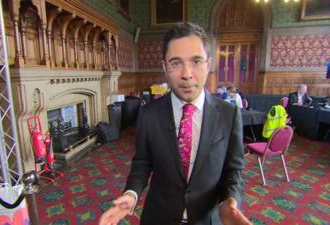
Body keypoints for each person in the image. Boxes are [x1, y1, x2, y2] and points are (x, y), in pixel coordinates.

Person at [99, 22, 250, 225]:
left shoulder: (228, 113)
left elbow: (233, 170)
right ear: (165, 67)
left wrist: (230, 201)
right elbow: (142, 163)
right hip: (159, 217)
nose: (187, 74)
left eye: (196, 61)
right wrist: (132, 194)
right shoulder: (148, 114)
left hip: (209, 219)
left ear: (208, 64)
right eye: (176, 63)